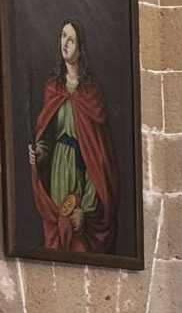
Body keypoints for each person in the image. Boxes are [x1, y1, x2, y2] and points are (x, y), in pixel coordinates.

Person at [28, 19, 119, 255]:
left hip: (82, 171)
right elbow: (47, 136)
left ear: (80, 48)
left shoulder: (91, 93)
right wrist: (40, 151)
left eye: (71, 39)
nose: (65, 43)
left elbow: (97, 155)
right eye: (62, 36)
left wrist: (86, 209)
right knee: (60, 235)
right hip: (57, 170)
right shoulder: (53, 88)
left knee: (78, 237)